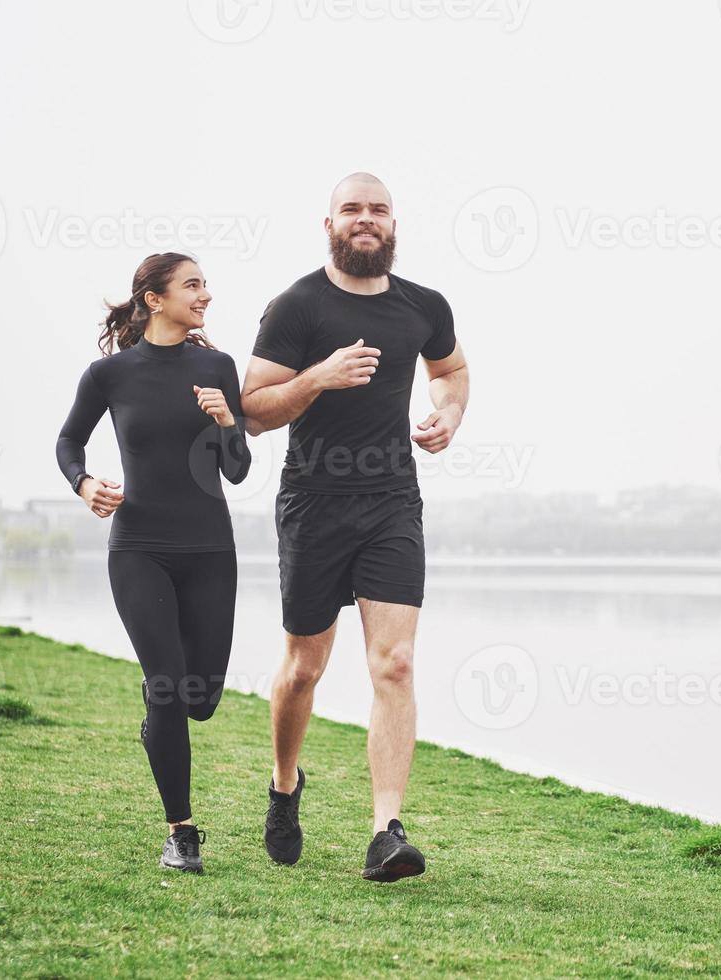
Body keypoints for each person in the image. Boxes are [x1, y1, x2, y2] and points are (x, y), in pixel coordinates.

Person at [241, 172, 469, 880]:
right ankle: (284, 787)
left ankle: (385, 833)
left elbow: (451, 370)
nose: (365, 219)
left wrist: (449, 413)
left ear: (394, 224)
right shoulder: (297, 306)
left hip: (392, 502)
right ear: (329, 224)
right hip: (312, 502)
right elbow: (252, 408)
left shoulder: (423, 306)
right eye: (351, 209)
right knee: (305, 666)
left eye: (377, 210)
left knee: (394, 663)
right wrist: (318, 377)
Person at [55, 252, 251, 873]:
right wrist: (85, 484)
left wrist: (225, 420)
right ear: (154, 299)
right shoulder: (109, 375)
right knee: (167, 688)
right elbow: (67, 440)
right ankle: (182, 832)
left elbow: (238, 469)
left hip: (210, 551)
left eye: (205, 285)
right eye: (194, 286)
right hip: (138, 548)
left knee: (201, 699)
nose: (207, 296)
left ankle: (162, 716)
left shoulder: (217, 366)